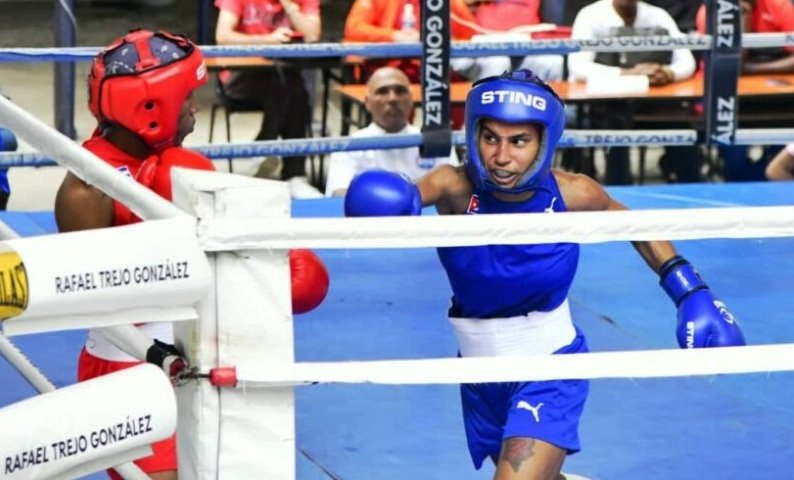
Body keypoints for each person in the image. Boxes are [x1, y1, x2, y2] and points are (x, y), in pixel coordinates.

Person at [344, 70, 745, 478]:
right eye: (490, 138)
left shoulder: (573, 193)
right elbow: (414, 192)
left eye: (519, 141)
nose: (501, 157)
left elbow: (632, 224)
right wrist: (398, 197)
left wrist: (690, 290)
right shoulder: (454, 186)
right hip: (480, 369)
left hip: (551, 366)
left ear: (543, 143)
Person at [54, 29, 329, 480]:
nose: (195, 107)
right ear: (151, 107)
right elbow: (89, 299)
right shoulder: (88, 189)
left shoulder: (181, 167)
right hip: (131, 366)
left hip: (194, 356)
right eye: (187, 98)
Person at [568, 0, 704, 185]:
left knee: (683, 126)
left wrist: (667, 73)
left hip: (653, 103)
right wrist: (626, 74)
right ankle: (618, 190)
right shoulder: (590, 15)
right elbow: (577, 67)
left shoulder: (658, 16)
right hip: (608, 103)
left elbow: (687, 61)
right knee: (615, 126)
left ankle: (693, 189)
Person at [214, 0, 323, 198]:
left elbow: (313, 35)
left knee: (291, 83)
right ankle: (294, 174)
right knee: (293, 85)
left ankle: (263, 144)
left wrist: (290, 6)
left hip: (282, 80)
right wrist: (267, 40)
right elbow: (222, 36)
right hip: (241, 79)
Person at [696, 0, 794, 181]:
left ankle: (763, 179)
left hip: (777, 100)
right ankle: (740, 181)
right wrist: (742, 19)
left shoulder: (779, 6)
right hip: (726, 99)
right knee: (733, 161)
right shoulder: (711, 11)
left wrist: (754, 69)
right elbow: (732, 66)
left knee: (782, 149)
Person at [324, 66, 459, 197]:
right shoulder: (348, 147)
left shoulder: (436, 143)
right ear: (367, 102)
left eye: (400, 91)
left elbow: (456, 190)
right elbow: (339, 195)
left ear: (411, 99)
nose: (392, 98)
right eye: (382, 91)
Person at [343, 0, 510, 83]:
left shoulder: (446, 3)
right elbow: (354, 27)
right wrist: (393, 35)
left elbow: (469, 34)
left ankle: (462, 140)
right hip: (389, 65)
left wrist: (446, 38)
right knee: (393, 83)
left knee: (489, 64)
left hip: (436, 67)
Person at [460, 0, 565, 81]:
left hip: (524, 49)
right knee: (498, 63)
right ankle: (491, 109)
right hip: (479, 51)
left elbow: (553, 24)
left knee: (552, 63)